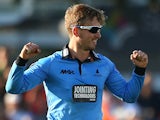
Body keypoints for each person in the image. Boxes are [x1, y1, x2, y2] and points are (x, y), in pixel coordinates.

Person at [5, 3, 148, 120]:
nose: (98, 35)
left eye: (99, 30)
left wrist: (140, 70)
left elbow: (129, 96)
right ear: (76, 32)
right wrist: (22, 59)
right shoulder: (50, 63)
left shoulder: (105, 65)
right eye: (93, 29)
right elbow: (14, 88)